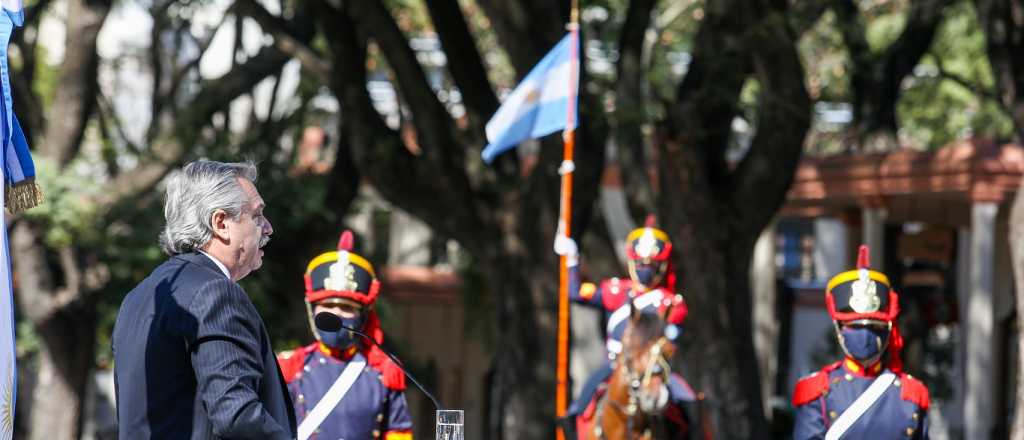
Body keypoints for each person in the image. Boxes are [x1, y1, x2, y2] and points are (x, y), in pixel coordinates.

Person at [111, 160, 295, 439]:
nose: (268, 228)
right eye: (257, 216)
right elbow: (236, 416)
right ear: (221, 223)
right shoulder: (215, 292)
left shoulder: (136, 297)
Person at [556, 218, 693, 437]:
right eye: (641, 264)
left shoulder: (671, 303)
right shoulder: (615, 291)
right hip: (615, 366)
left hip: (654, 371)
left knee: (688, 404)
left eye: (652, 265)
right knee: (578, 406)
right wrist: (572, 258)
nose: (646, 270)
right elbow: (575, 293)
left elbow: (672, 341)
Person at [277, 230, 413, 440]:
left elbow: (399, 432)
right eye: (328, 305)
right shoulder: (289, 369)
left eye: (347, 307)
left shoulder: (384, 372)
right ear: (312, 312)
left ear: (362, 317)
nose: (337, 314)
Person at [792, 245, 930, 439]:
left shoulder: (911, 393)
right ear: (839, 330)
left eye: (875, 327)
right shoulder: (818, 391)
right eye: (855, 327)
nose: (865, 334)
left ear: (889, 331)